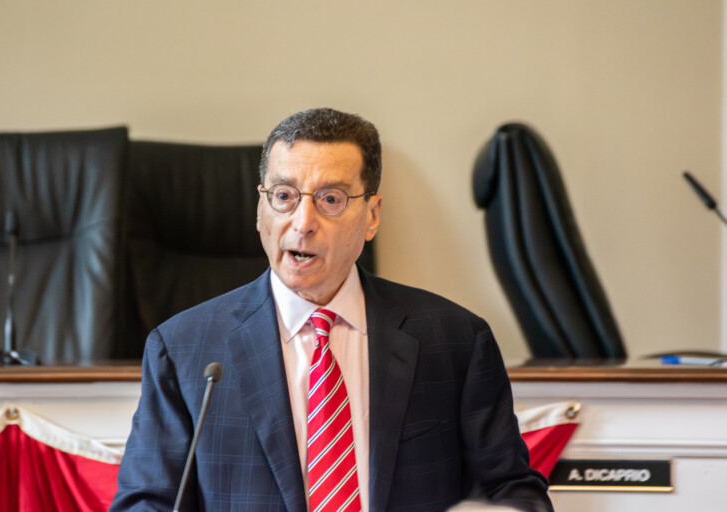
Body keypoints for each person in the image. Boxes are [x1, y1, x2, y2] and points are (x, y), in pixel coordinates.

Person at [110, 108, 552, 512]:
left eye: (331, 199)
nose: (302, 222)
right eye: (284, 196)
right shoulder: (185, 349)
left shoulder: (455, 341)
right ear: (261, 210)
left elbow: (514, 492)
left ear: (372, 216)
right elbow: (146, 503)